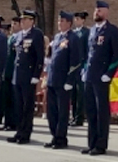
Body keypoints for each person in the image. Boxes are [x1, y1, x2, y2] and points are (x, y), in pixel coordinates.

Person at [82, 0, 118, 156]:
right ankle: (91, 143)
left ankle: (100, 144)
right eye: (95, 10)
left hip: (102, 77)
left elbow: (117, 56)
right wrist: (85, 70)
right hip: (90, 76)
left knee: (101, 112)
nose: (96, 12)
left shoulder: (112, 31)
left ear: (106, 12)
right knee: (91, 111)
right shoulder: (92, 30)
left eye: (99, 10)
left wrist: (109, 73)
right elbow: (88, 54)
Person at [45, 10, 84, 149]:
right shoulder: (57, 37)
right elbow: (52, 59)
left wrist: (70, 80)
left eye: (62, 21)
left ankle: (61, 138)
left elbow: (76, 61)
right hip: (52, 79)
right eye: (58, 21)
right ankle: (54, 135)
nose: (59, 23)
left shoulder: (73, 38)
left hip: (63, 81)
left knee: (62, 112)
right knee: (52, 111)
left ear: (69, 23)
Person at [10, 9, 45, 144]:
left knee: (27, 107)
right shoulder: (19, 35)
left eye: (25, 20)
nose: (22, 22)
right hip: (18, 75)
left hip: (29, 75)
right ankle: (19, 131)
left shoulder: (36, 34)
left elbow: (39, 57)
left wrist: (36, 75)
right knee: (18, 106)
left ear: (32, 21)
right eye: (21, 20)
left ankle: (25, 134)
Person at [70, 11, 90, 127]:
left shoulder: (86, 32)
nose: (76, 21)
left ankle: (79, 117)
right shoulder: (72, 33)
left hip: (82, 65)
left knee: (80, 93)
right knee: (73, 93)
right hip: (73, 66)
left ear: (83, 20)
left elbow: (87, 50)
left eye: (78, 19)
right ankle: (73, 116)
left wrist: (85, 66)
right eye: (75, 19)